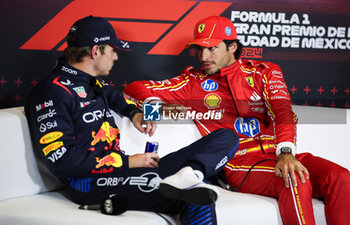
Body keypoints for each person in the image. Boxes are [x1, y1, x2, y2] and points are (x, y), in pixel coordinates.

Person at [123, 15, 350, 225]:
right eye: (200, 49)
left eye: (212, 48)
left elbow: (282, 112)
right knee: (294, 180)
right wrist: (158, 105)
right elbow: (135, 88)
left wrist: (286, 153)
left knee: (341, 177)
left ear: (232, 47)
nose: (204, 57)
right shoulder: (192, 82)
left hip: (279, 154)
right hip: (240, 163)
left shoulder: (264, 72)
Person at [25, 16, 240, 225]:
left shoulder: (92, 83)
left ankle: (191, 173)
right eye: (113, 51)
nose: (116, 57)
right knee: (196, 196)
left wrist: (133, 114)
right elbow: (62, 161)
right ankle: (188, 181)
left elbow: (116, 97)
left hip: (122, 171)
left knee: (227, 137)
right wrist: (129, 161)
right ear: (95, 51)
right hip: (89, 183)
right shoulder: (51, 92)